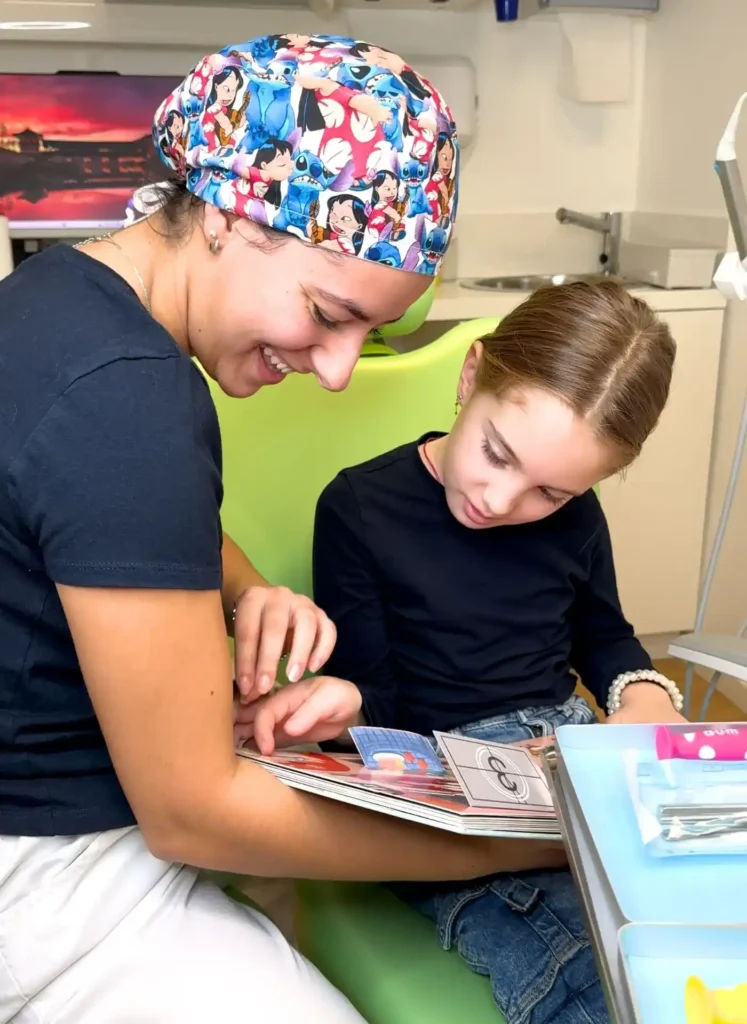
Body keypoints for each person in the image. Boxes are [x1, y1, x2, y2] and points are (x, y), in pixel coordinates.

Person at [0, 34, 564, 1024]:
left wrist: (245, 588)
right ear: (229, 212)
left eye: (370, 334)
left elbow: (81, 508)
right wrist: (531, 838)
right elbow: (195, 813)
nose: (338, 371)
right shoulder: (129, 399)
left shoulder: (59, 298)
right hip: (50, 884)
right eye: (327, 313)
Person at [295, 280, 685, 1024]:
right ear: (470, 374)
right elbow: (374, 699)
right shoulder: (359, 509)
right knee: (593, 971)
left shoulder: (577, 514)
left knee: (699, 915)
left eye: (550, 493)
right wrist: (341, 709)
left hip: (571, 755)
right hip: (449, 789)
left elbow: (604, 636)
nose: (501, 502)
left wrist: (642, 698)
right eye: (496, 454)